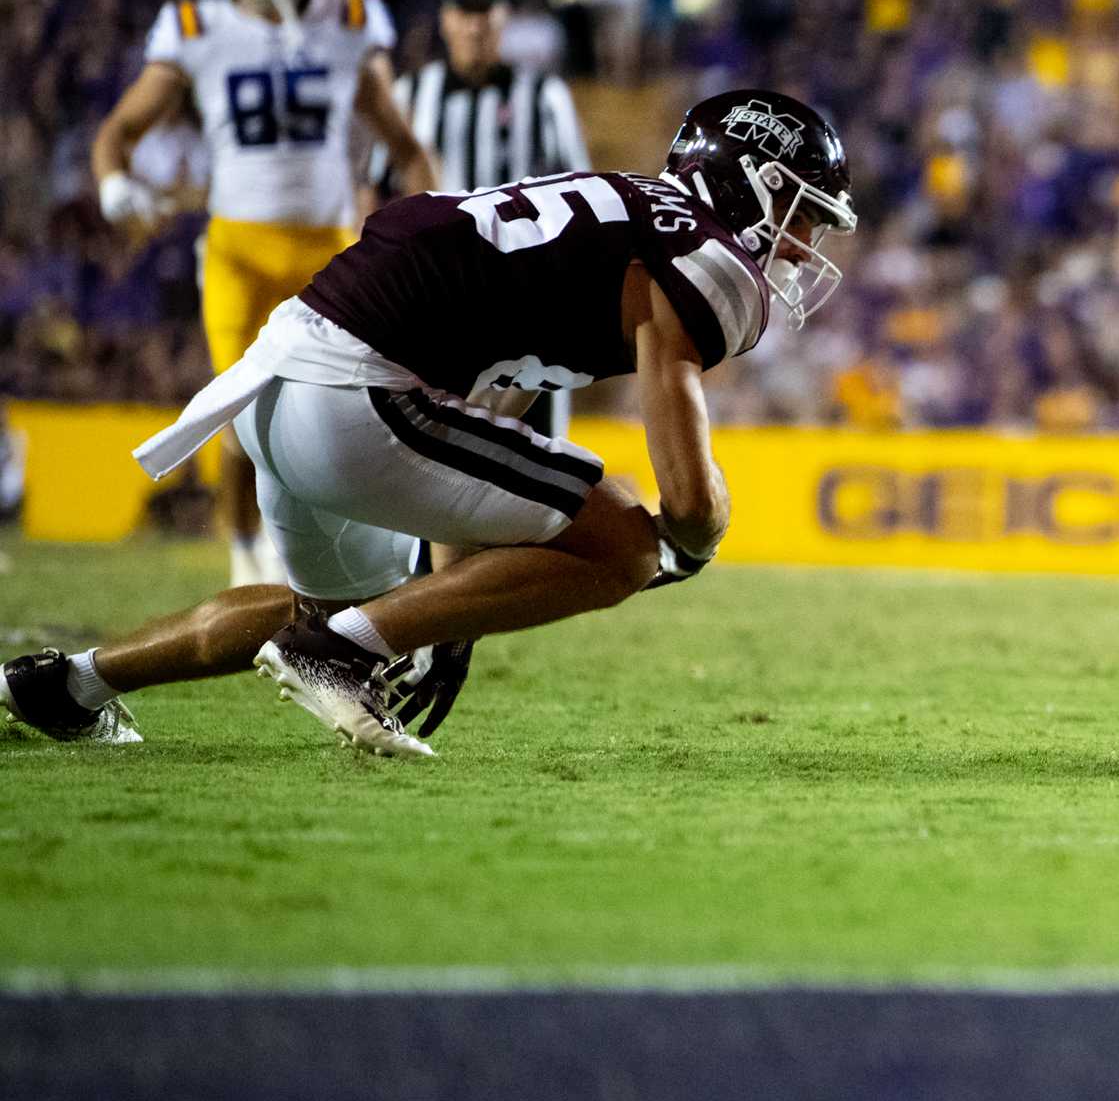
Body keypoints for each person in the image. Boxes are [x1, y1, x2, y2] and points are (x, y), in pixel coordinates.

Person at [1, 91, 855, 758]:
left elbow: (494, 405)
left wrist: (444, 611)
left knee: (337, 609)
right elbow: (690, 499)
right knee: (625, 542)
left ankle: (69, 685)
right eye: (805, 212)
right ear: (753, 181)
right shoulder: (702, 256)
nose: (805, 240)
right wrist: (694, 540)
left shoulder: (615, 211)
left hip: (278, 376)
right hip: (358, 388)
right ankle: (340, 651)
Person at [90, 0, 437, 588]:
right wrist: (114, 186)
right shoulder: (198, 26)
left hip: (331, 250)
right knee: (239, 411)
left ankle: (363, 555)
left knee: (360, 400)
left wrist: (428, 220)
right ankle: (246, 550)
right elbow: (117, 133)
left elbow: (405, 144)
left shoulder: (347, 23)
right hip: (238, 249)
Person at [370, 0, 592, 438]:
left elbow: (581, 193)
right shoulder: (411, 94)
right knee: (438, 436)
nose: (474, 25)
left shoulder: (545, 95)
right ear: (446, 20)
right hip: (437, 293)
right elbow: (376, 190)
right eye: (464, 12)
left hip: (527, 291)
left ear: (503, 17)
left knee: (539, 440)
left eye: (484, 12)